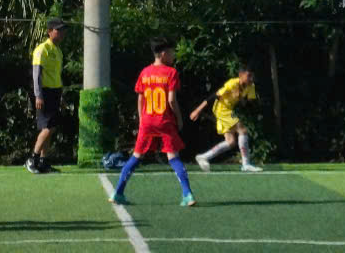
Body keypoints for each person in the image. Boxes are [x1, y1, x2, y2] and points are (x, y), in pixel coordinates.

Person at [109, 38, 195, 207]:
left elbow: (140, 98)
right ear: (163, 54)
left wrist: (142, 119)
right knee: (173, 157)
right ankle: (187, 195)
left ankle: (118, 193)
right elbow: (171, 100)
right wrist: (179, 118)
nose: (173, 55)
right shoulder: (171, 72)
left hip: (147, 121)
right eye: (171, 52)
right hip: (164, 121)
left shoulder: (145, 72)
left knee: (136, 156)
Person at [195, 64, 260, 171]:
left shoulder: (250, 86)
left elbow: (249, 104)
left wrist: (243, 99)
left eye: (252, 76)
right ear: (241, 75)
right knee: (242, 130)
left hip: (228, 110)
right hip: (222, 109)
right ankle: (246, 164)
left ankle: (204, 157)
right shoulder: (232, 83)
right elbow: (215, 96)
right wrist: (198, 110)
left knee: (230, 142)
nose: (251, 78)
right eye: (249, 76)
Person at [26, 21, 66, 175]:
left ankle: (43, 162)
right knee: (48, 127)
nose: (62, 33)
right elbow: (36, 75)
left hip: (55, 93)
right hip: (44, 93)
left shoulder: (58, 51)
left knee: (51, 128)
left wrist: (61, 96)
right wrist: (38, 95)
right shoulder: (42, 49)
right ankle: (33, 159)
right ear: (50, 31)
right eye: (58, 30)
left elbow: (57, 75)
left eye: (63, 31)